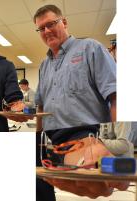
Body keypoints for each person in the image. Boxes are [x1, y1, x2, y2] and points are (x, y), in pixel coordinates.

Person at [33, 4, 119, 200]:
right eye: (41, 28)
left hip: (83, 134)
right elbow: (40, 106)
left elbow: (115, 96)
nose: (46, 31)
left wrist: (117, 144)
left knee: (95, 179)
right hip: (48, 139)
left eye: (51, 24)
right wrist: (37, 140)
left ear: (64, 22)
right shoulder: (44, 65)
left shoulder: (91, 48)